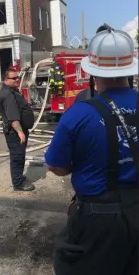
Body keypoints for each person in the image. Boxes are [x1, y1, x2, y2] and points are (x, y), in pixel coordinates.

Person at [45, 28, 139, 275]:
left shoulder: (78, 114)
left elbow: (56, 166)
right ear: (131, 69)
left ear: (93, 73)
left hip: (99, 221)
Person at [0, 68, 35, 191]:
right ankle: (18, 183)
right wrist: (20, 132)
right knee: (17, 157)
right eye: (14, 78)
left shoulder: (11, 90)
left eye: (17, 77)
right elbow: (13, 117)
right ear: (6, 79)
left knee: (20, 155)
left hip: (19, 130)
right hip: (14, 132)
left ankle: (18, 178)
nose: (17, 80)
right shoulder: (7, 94)